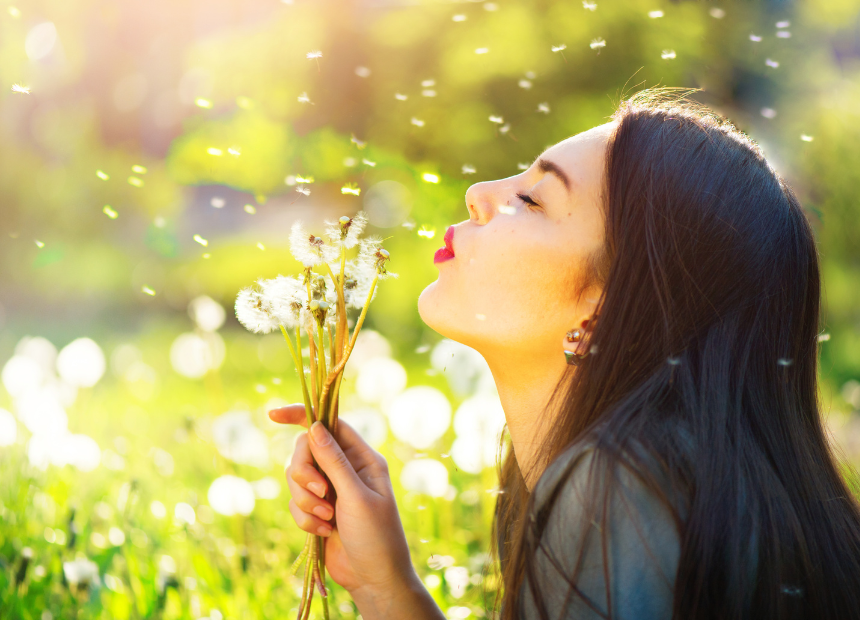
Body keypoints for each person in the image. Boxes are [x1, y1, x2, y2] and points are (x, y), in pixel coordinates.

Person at [269, 87, 860, 619]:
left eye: (532, 200)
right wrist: (385, 588)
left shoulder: (620, 489)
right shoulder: (662, 476)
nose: (478, 194)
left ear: (608, 309)